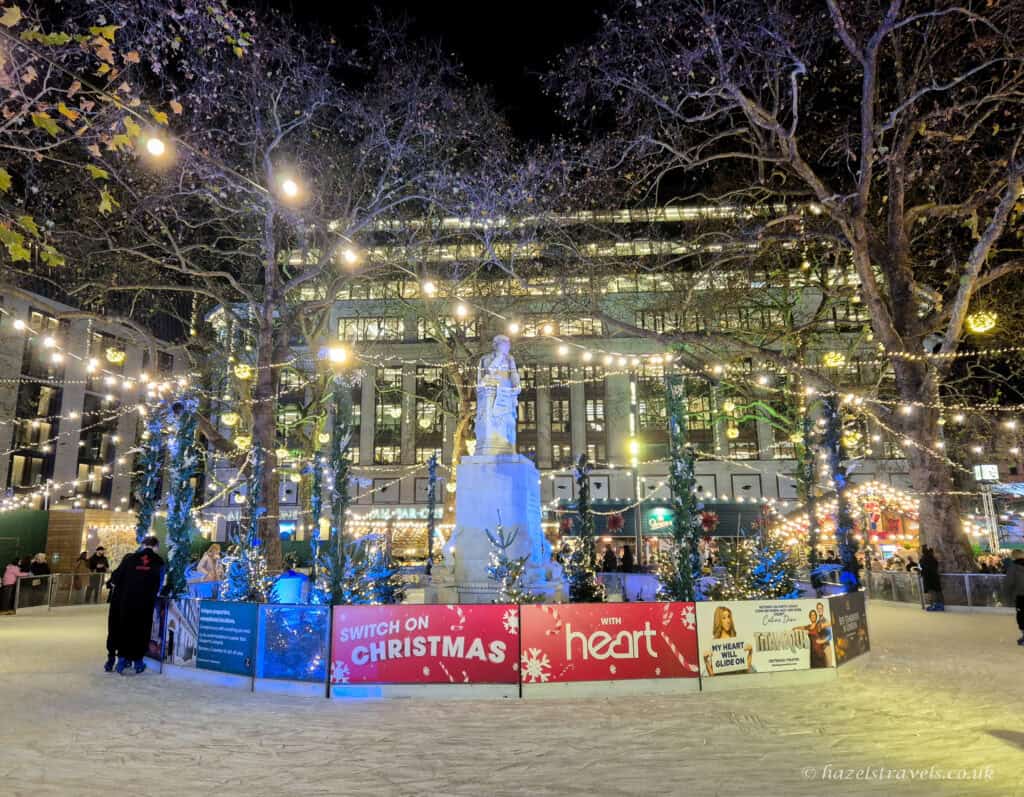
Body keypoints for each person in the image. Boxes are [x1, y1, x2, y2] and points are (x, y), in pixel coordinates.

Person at [105, 536, 165, 674]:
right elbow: (159, 583)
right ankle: (138, 661)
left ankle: (121, 659)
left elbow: (117, 577)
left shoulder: (130, 559)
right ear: (156, 546)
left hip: (126, 602)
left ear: (144, 545)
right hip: (145, 603)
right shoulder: (158, 561)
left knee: (125, 629)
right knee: (142, 630)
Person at [1003, 550, 1024, 646]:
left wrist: (1007, 597)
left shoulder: (1013, 568)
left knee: (1021, 617)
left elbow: (1008, 584)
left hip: (1021, 597)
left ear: (1013, 557)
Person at [919, 545, 944, 611]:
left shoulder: (923, 559)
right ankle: (940, 605)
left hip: (927, 577)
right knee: (937, 591)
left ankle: (933, 605)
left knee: (931, 591)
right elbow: (936, 566)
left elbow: (922, 567)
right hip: (935, 576)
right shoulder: (933, 559)